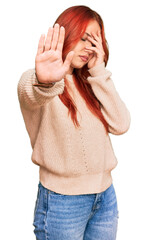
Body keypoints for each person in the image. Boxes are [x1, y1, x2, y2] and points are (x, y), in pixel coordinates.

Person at [17, 5, 130, 240]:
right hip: (62, 203)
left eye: (94, 41)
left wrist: (98, 71)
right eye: (83, 38)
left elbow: (121, 124)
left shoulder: (93, 82)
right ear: (66, 33)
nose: (88, 48)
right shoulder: (42, 82)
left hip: (105, 198)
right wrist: (45, 81)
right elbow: (31, 91)